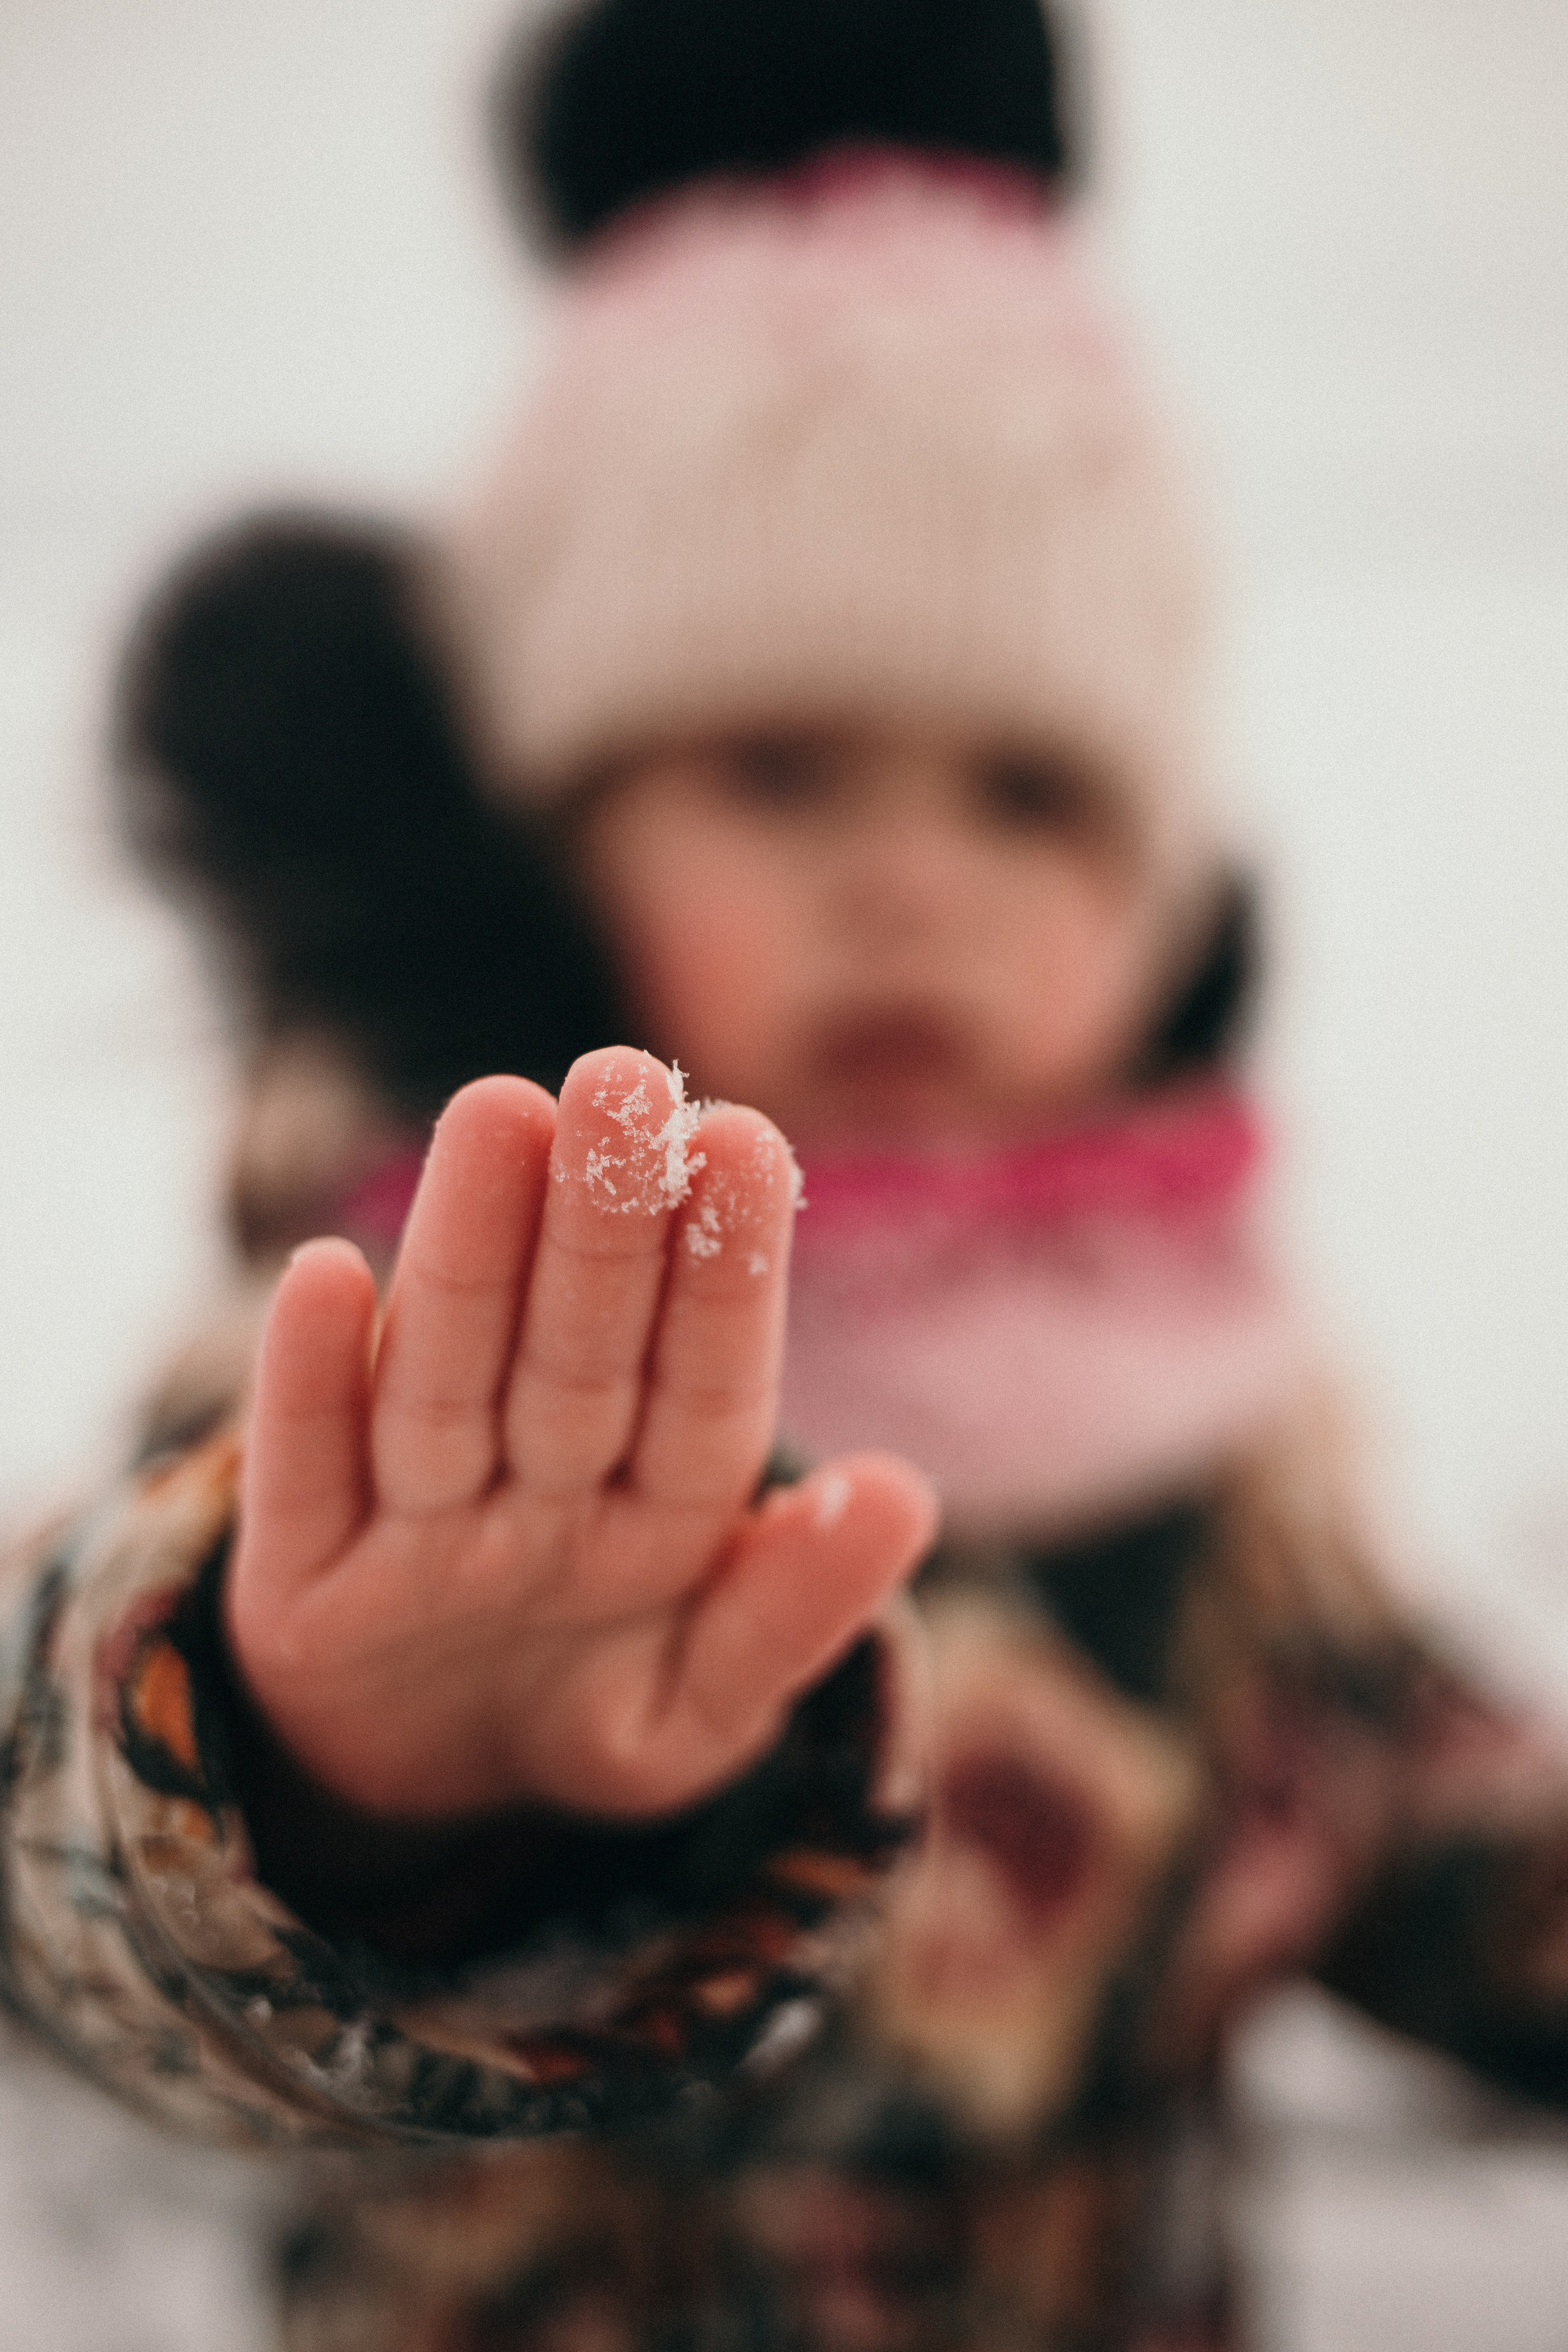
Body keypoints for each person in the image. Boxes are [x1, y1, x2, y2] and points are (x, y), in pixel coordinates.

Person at [4, 4, 1568, 2346]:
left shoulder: (1223, 1438)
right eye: (778, 769)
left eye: (1028, 796)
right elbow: (55, 1888)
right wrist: (343, 1775)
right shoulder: (396, 1333)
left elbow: (1441, 1839)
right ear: (544, 836)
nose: (909, 881)